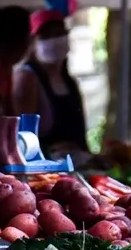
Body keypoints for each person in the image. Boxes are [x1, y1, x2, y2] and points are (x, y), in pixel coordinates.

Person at [10, 9, 89, 151]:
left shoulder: (68, 81)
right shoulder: (27, 79)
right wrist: (50, 151)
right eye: (46, 36)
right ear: (32, 42)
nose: (54, 41)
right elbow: (24, 138)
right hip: (46, 162)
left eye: (59, 34)